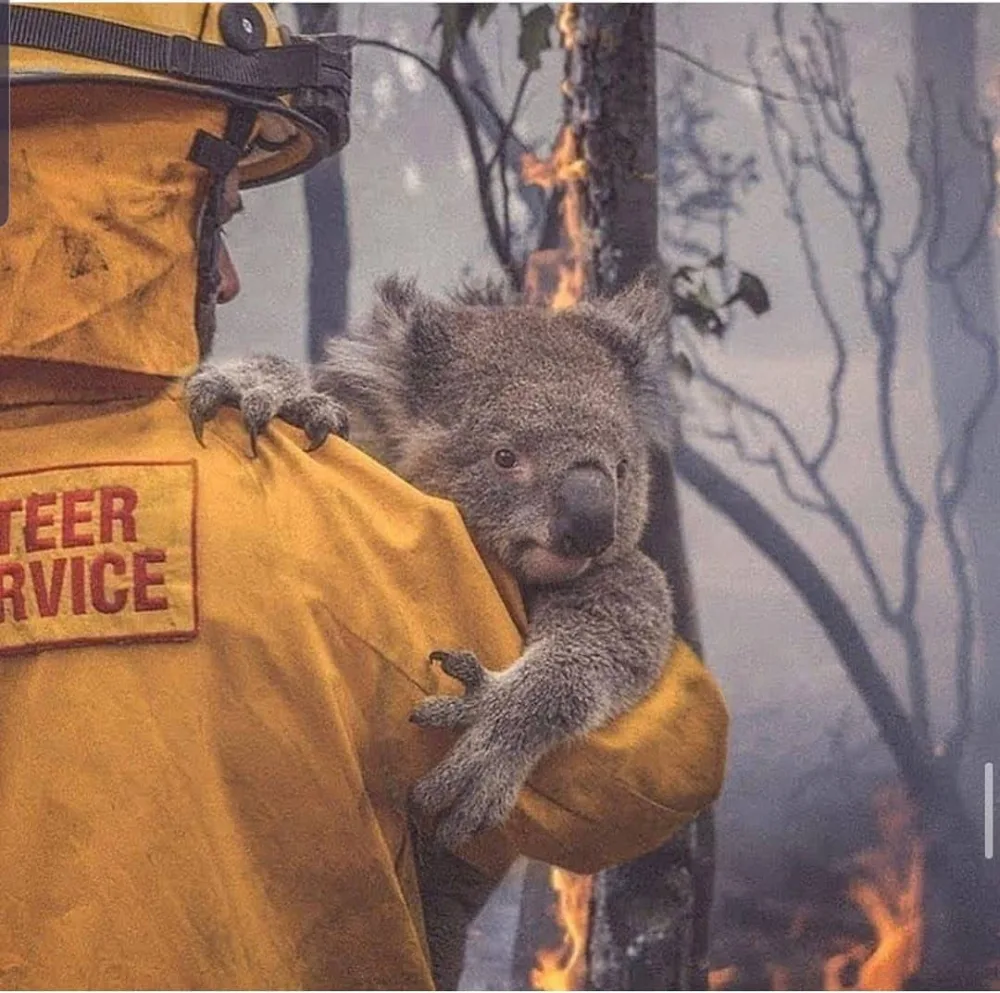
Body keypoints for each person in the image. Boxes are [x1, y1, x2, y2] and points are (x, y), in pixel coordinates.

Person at [0, 3, 729, 988]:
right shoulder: (327, 527)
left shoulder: (299, 456)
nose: (223, 278)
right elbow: (653, 775)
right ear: (111, 198)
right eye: (207, 217)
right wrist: (575, 608)